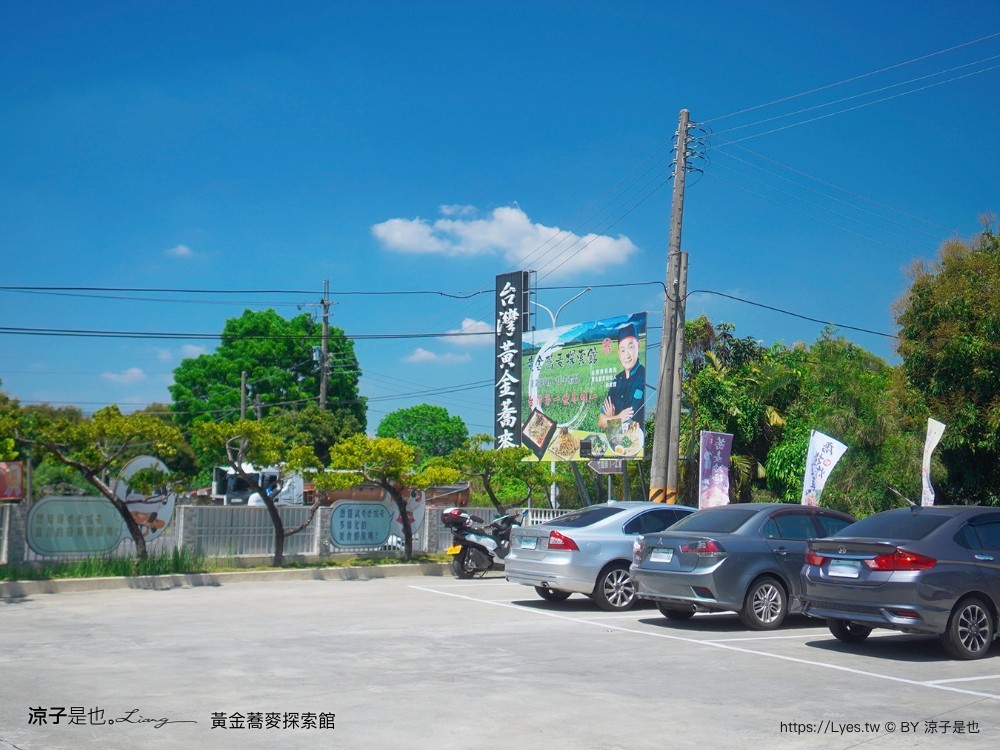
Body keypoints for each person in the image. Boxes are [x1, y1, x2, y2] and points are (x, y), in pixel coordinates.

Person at [598, 323, 646, 430]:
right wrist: (619, 417)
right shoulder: (617, 379)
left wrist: (611, 417)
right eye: (623, 350)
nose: (627, 355)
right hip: (614, 439)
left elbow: (631, 422)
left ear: (638, 346)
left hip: (636, 439)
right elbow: (601, 421)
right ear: (619, 353)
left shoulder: (643, 377)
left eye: (630, 347)